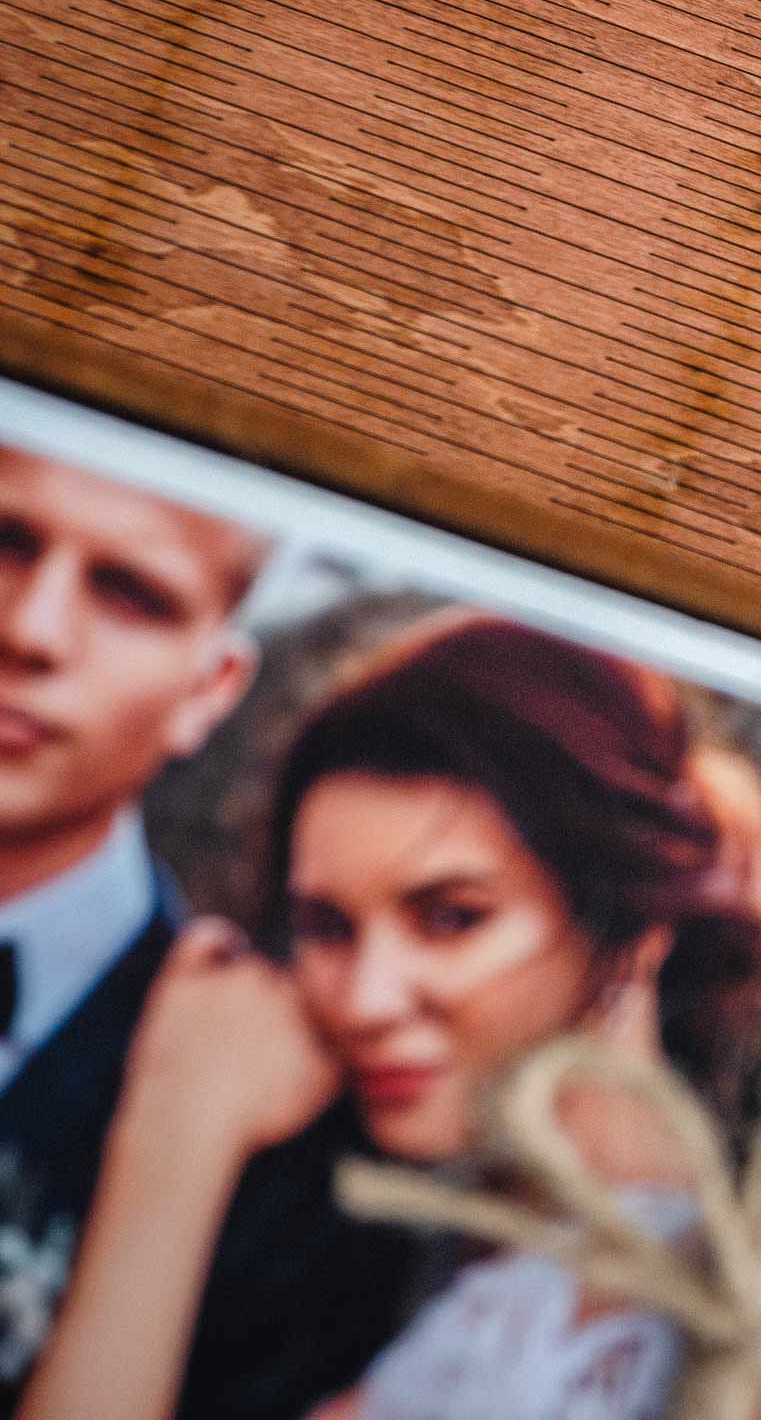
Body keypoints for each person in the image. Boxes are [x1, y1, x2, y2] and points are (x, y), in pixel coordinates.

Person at [22, 613, 761, 1420]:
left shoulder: (593, 1338)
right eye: (328, 927)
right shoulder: (488, 1258)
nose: (364, 1000)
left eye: (452, 917)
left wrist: (174, 1142)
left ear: (632, 927)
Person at [0, 444, 409, 1419]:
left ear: (208, 689)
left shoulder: (273, 1140)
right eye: (6, 541)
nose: (31, 628)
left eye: (130, 592)